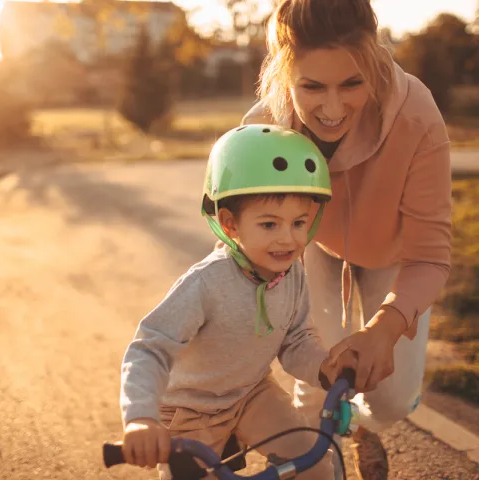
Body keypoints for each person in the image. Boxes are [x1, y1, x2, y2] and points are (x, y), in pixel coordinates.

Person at [242, 1, 452, 479]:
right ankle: (323, 456)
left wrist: (384, 329)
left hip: (392, 253)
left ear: (374, 65)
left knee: (393, 398)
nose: (332, 109)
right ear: (284, 75)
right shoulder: (262, 128)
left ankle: (360, 424)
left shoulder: (416, 115)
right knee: (316, 381)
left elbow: (431, 254)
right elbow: (239, 244)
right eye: (312, 87)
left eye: (352, 84)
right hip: (308, 246)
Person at [119, 124, 357, 480]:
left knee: (315, 467)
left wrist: (325, 368)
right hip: (189, 412)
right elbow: (148, 348)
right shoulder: (206, 284)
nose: (287, 239)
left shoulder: (292, 274)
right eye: (268, 224)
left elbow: (296, 341)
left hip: (250, 395)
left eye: (299, 222)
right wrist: (139, 417)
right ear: (230, 224)